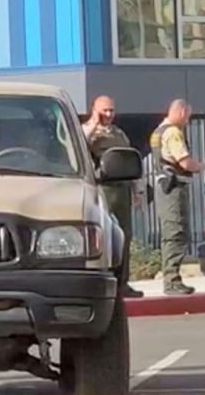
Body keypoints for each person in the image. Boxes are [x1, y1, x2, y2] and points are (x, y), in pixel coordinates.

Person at [82, 96, 144, 298]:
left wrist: (137, 190)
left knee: (124, 236)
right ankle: (102, 281)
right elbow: (80, 146)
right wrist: (94, 123)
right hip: (102, 189)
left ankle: (122, 282)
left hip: (122, 189)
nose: (108, 114)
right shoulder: (86, 131)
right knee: (103, 236)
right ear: (95, 110)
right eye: (104, 110)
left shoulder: (118, 133)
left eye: (111, 110)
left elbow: (128, 159)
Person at [150, 99, 205, 295]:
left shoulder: (158, 131)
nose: (187, 121)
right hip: (174, 188)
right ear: (181, 112)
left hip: (164, 186)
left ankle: (171, 277)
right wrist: (200, 166)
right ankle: (172, 280)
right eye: (187, 116)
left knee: (170, 232)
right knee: (176, 231)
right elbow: (184, 162)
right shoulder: (173, 132)